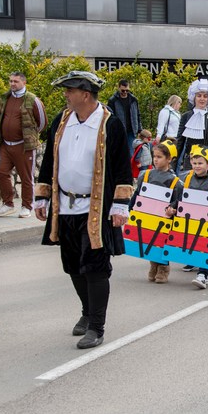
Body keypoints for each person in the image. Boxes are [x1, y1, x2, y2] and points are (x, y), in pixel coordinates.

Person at [35, 70, 133, 349]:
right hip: (65, 205)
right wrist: (43, 197)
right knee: (73, 265)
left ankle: (96, 327)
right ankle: (87, 312)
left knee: (95, 266)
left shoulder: (110, 124)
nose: (66, 95)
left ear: (85, 95)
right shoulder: (62, 120)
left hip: (96, 207)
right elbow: (50, 160)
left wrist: (120, 205)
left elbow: (122, 166)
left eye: (70, 90)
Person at [166, 145, 208, 289]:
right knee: (195, 245)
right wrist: (172, 207)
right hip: (190, 220)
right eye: (194, 163)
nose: (197, 166)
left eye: (200, 163)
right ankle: (204, 270)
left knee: (205, 245)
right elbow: (180, 198)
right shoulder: (187, 179)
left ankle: (204, 273)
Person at [0, 72, 47, 219]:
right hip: (5, 144)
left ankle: (27, 206)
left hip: (24, 146)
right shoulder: (5, 98)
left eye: (15, 81)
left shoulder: (33, 99)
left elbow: (42, 122)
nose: (12, 84)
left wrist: (31, 135)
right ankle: (8, 204)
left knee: (26, 177)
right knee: (0, 171)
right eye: (10, 81)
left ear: (24, 82)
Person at [128, 142, 183, 284]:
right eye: (154, 156)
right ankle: (153, 265)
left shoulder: (175, 181)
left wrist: (172, 208)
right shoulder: (146, 175)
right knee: (150, 240)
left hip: (164, 217)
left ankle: (163, 268)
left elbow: (177, 200)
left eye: (159, 157)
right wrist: (130, 208)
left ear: (169, 159)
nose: (156, 160)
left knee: (162, 241)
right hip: (148, 215)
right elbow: (138, 193)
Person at [176, 79, 208, 172]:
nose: (202, 99)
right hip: (190, 162)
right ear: (194, 98)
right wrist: (172, 165)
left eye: (205, 96)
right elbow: (179, 142)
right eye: (199, 96)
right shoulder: (186, 116)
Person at [107, 79, 142, 156]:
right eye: (123, 90)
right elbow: (110, 117)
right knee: (120, 153)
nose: (125, 92)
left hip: (132, 130)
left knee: (131, 153)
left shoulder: (133, 100)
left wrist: (140, 129)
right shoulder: (113, 101)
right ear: (119, 88)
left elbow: (138, 115)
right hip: (119, 131)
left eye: (127, 90)